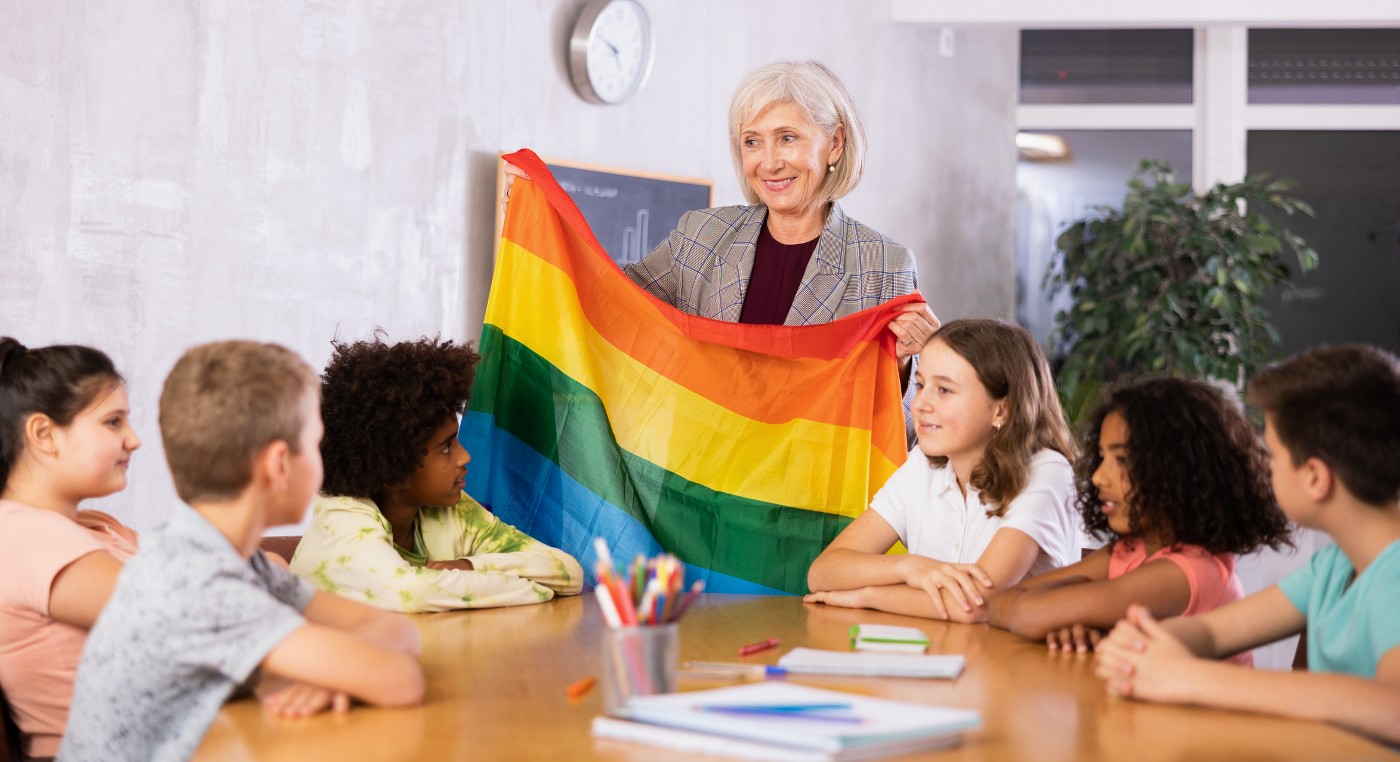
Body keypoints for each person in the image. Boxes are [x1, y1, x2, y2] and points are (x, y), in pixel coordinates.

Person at [503, 60, 939, 439]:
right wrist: (544, 222)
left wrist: (902, 369)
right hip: (698, 491)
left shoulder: (885, 266)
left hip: (810, 509)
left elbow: (906, 439)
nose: (768, 162)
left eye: (787, 138)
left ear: (836, 144)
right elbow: (608, 305)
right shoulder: (700, 235)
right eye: (752, 142)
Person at [60, 340, 424, 761]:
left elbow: (393, 630)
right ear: (279, 465)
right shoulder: (198, 583)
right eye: (316, 444)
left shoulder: (229, 557)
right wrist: (348, 671)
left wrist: (335, 675)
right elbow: (402, 681)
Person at [1095, 345, 1400, 745]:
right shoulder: (1335, 566)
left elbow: (1391, 707)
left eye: (1273, 455)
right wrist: (1144, 645)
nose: (1267, 467)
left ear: (1314, 478)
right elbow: (1212, 633)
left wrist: (1193, 679)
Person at [981, 378, 1293, 658]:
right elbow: (1000, 603)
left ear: (1179, 470)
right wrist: (1067, 616)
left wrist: (1064, 610)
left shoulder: (1189, 571)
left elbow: (1028, 615)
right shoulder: (1130, 551)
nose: (1100, 477)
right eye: (1102, 457)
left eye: (1123, 459)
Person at [803, 319, 1079, 617]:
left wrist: (866, 596)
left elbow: (975, 605)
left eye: (944, 390)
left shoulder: (1046, 471)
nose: (920, 403)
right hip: (938, 654)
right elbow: (823, 572)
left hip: (1015, 661)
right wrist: (910, 567)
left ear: (1002, 409)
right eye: (921, 385)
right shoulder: (922, 465)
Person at [290, 335, 583, 612]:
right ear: (393, 466)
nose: (465, 456)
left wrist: (470, 567)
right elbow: (411, 594)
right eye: (446, 448)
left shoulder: (450, 512)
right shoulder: (342, 519)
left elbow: (567, 572)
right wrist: (531, 590)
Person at [0, 338, 141, 759]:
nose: (133, 440)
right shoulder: (23, 535)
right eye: (113, 422)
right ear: (44, 434)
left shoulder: (96, 528)